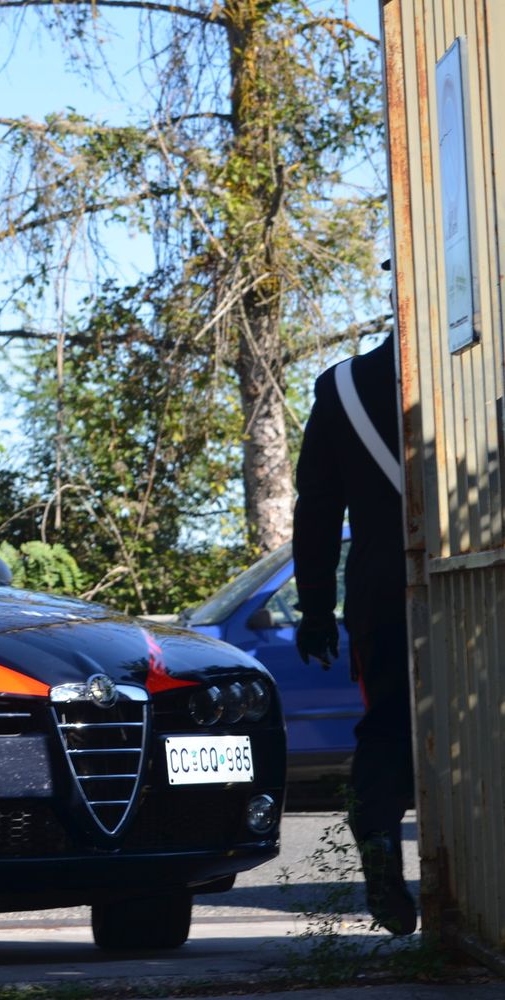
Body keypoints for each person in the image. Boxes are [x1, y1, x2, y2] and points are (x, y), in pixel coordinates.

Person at [291, 279, 415, 936]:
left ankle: (377, 836)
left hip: (380, 592)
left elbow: (317, 511)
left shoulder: (341, 388)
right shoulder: (480, 377)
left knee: (389, 728)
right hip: (479, 580)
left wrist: (315, 610)